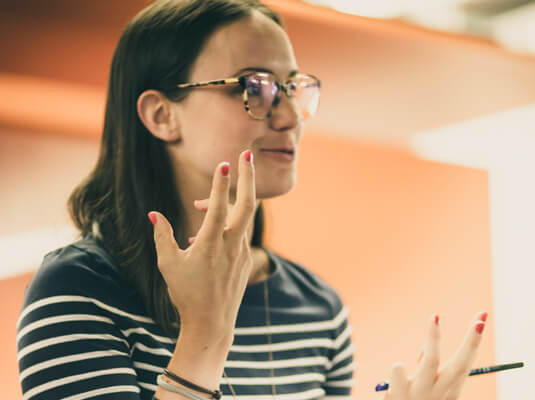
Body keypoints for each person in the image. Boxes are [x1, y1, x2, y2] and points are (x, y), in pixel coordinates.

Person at [16, 0, 487, 399]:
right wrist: (204, 335)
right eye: (252, 87)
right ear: (161, 115)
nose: (290, 117)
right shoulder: (77, 289)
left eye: (293, 88)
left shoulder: (319, 309)